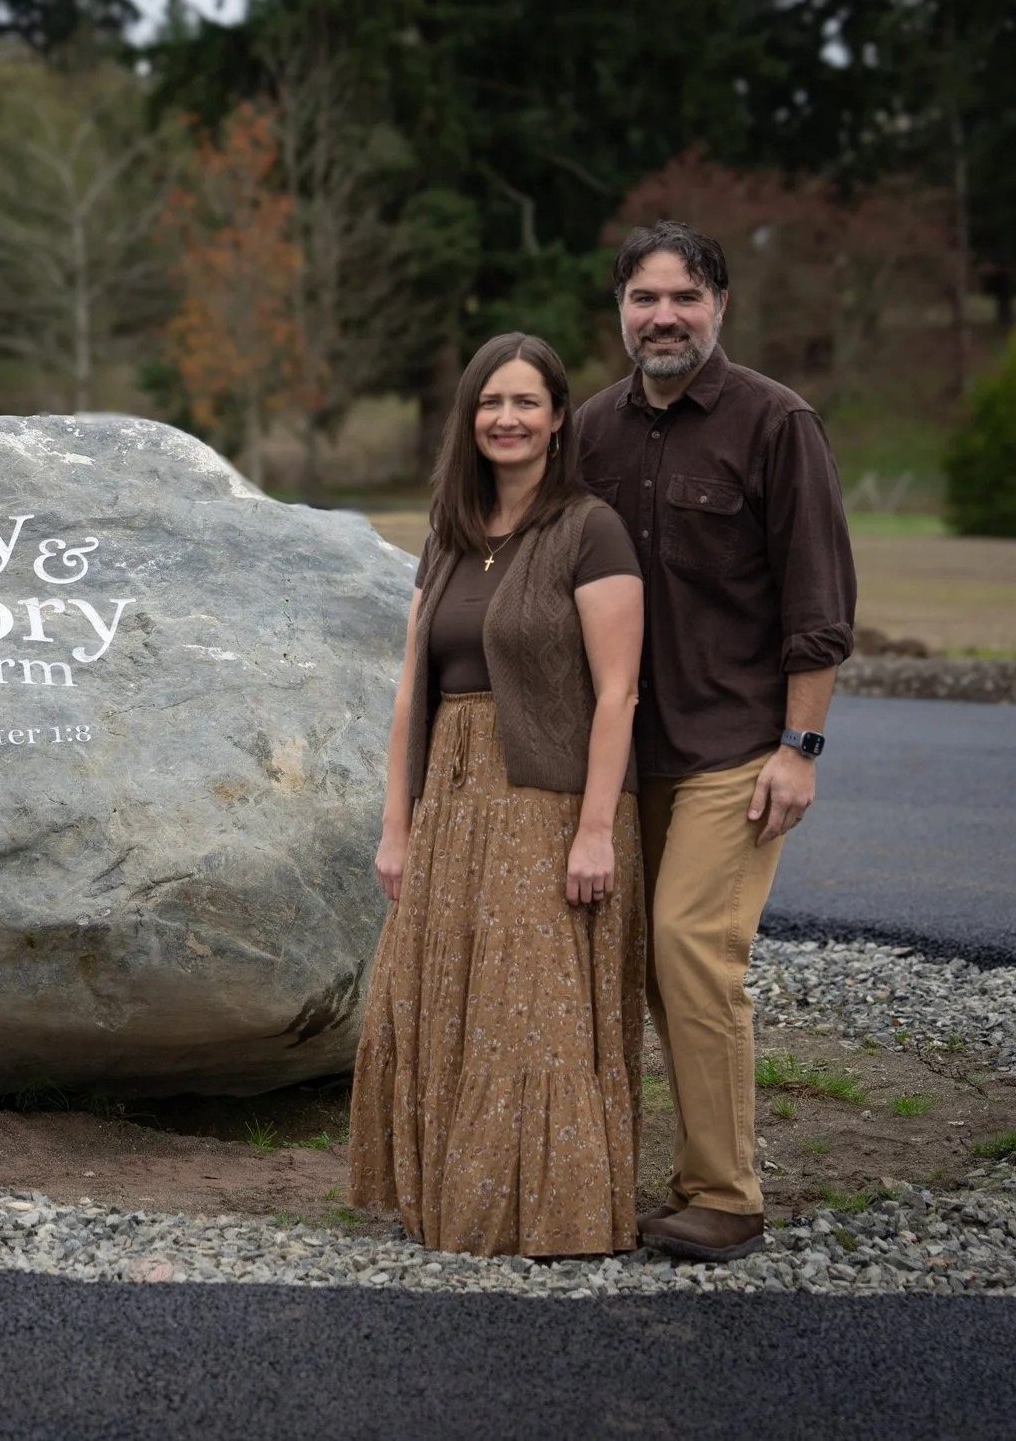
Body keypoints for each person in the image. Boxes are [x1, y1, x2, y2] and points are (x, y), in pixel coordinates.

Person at [577, 220, 858, 1263]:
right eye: (644, 297)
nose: (663, 316)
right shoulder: (588, 431)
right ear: (618, 309)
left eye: (683, 297)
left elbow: (818, 600)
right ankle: (632, 1173)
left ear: (720, 306)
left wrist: (801, 744)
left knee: (692, 946)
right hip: (617, 752)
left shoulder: (775, 423)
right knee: (636, 961)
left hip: (734, 745)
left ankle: (726, 1194)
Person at [348, 332, 648, 1258]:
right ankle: (453, 1200)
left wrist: (595, 828)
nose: (506, 418)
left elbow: (619, 691)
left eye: (526, 402)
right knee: (443, 997)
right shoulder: (446, 537)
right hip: (452, 796)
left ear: (559, 418)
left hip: (549, 802)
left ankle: (555, 1215)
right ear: (468, 417)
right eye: (490, 402)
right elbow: (411, 688)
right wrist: (396, 825)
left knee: (533, 1011)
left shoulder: (588, 529)